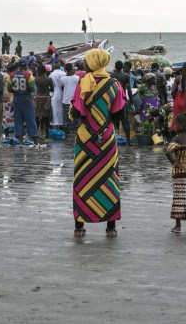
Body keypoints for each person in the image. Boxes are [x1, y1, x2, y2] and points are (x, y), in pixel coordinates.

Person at [70, 49, 126, 239]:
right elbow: (119, 114)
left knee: (82, 180)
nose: (84, 65)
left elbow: (77, 113)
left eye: (86, 62)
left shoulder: (83, 83)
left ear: (92, 64)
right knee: (109, 179)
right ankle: (111, 228)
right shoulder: (115, 85)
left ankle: (79, 226)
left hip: (85, 140)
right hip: (107, 138)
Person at [109, 61, 131, 145]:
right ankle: (128, 141)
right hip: (122, 100)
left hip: (112, 100)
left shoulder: (111, 76)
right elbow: (128, 90)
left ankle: (113, 139)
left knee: (113, 120)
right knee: (125, 120)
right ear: (122, 67)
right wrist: (131, 103)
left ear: (115, 67)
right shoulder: (126, 76)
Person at [60, 63, 80, 133]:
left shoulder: (62, 79)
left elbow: (62, 88)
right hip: (75, 100)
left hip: (66, 100)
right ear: (72, 69)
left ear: (65, 69)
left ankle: (66, 129)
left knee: (66, 115)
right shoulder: (77, 78)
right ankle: (75, 129)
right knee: (76, 116)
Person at [49, 61, 64, 130]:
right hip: (62, 94)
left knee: (55, 109)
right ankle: (61, 124)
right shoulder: (64, 73)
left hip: (54, 94)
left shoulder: (52, 74)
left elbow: (50, 85)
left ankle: (55, 124)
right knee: (61, 109)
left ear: (54, 67)